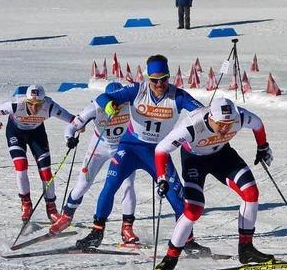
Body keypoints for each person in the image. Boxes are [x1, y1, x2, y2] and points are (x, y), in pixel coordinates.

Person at [77, 55, 210, 254]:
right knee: (110, 185)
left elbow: (203, 112)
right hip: (129, 147)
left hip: (158, 152)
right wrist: (108, 105)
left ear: (169, 77)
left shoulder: (178, 96)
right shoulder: (137, 90)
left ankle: (188, 240)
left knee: (176, 197)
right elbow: (102, 98)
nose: (159, 84)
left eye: (164, 79)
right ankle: (97, 232)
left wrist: (208, 119)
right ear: (148, 78)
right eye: (155, 80)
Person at [152, 97, 275, 270]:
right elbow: (161, 150)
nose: (226, 129)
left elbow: (257, 123)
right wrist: (162, 178)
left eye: (230, 124)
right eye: (221, 125)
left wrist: (263, 146)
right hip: (194, 160)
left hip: (222, 156)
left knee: (251, 193)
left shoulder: (239, 117)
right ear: (210, 117)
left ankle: (246, 249)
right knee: (194, 209)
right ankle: (170, 259)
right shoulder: (190, 127)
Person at [49, 82, 141, 245]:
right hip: (99, 146)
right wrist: (69, 139)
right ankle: (66, 216)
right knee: (83, 184)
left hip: (122, 148)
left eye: (121, 102)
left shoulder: (131, 104)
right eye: (114, 103)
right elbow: (71, 127)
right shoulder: (95, 108)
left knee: (128, 185)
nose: (119, 106)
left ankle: (127, 228)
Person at [0, 85, 75, 223]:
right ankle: (26, 204)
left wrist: (79, 127)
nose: (35, 108)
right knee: (21, 166)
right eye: (31, 104)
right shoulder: (16, 104)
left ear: (44, 101)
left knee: (46, 172)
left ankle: (51, 209)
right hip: (16, 133)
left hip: (37, 134)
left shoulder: (50, 106)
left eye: (39, 104)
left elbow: (72, 119)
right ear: (26, 101)